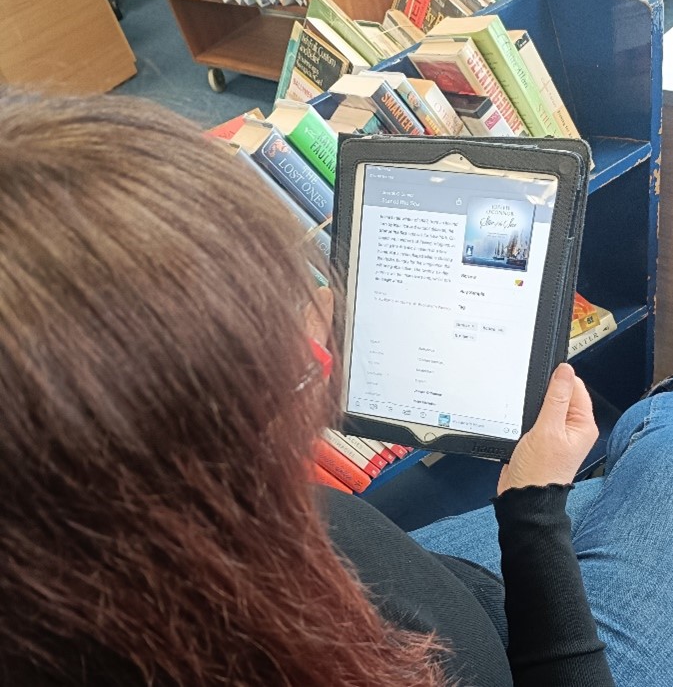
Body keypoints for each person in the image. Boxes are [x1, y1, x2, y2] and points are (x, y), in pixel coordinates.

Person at [0, 89, 660, 686]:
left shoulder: (75, 572)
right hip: (507, 650)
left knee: (610, 482)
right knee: (655, 441)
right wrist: (534, 519)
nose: (322, 320)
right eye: (276, 340)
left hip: (412, 581)